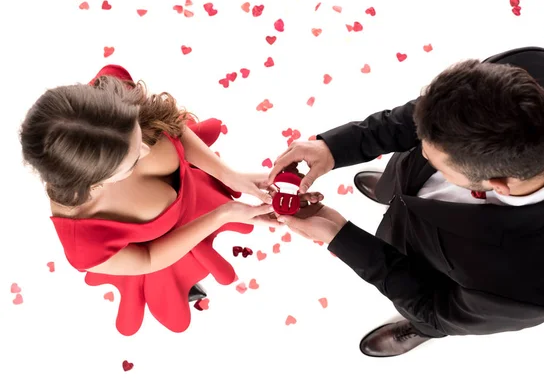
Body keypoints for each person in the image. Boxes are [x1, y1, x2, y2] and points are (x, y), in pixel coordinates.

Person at [268, 47, 544, 357]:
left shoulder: (528, 291)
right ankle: (392, 192)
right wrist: (334, 149)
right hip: (419, 183)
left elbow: (436, 308)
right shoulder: (530, 67)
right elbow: (422, 116)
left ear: (498, 185)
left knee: (429, 320)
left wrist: (340, 236)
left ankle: (420, 331)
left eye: (435, 161)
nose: (418, 150)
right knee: (401, 180)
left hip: (427, 267)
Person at [19, 65, 322, 336]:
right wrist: (222, 214)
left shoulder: (105, 110)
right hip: (170, 246)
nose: (146, 151)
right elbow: (149, 259)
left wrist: (230, 176)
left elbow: (173, 128)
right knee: (179, 278)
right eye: (132, 161)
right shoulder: (84, 240)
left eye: (140, 139)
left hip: (198, 190)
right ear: (95, 182)